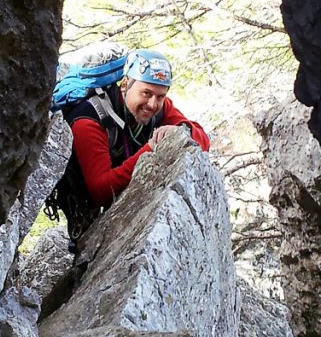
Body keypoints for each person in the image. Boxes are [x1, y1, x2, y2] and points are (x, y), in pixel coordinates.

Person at [60, 48, 210, 231]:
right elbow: (100, 190)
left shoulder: (159, 108)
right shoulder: (89, 120)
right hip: (81, 199)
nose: (153, 104)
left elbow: (202, 140)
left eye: (160, 96)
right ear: (125, 85)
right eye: (146, 93)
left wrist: (182, 131)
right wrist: (150, 150)